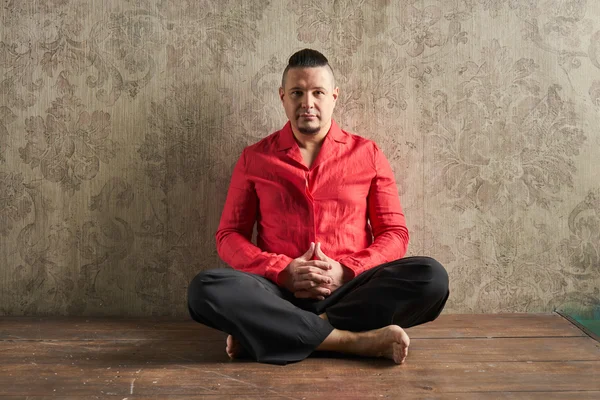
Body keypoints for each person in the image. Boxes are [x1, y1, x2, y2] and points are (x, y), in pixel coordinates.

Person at [187, 49, 449, 365]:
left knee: (431, 277)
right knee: (204, 289)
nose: (307, 103)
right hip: (277, 294)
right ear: (283, 97)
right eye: (297, 92)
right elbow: (229, 236)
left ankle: (270, 333)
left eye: (318, 92)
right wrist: (281, 271)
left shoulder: (368, 153)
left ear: (334, 97)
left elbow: (394, 233)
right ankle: (351, 341)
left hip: (351, 292)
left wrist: (347, 270)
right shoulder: (254, 158)